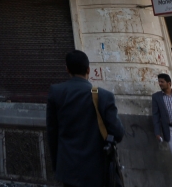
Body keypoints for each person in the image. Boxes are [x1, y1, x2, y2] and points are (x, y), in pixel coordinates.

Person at [46, 50, 125, 187]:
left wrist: (58, 167)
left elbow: (52, 134)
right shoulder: (104, 96)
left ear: (67, 69)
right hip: (98, 171)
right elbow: (118, 133)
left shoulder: (56, 92)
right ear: (88, 69)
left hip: (69, 170)